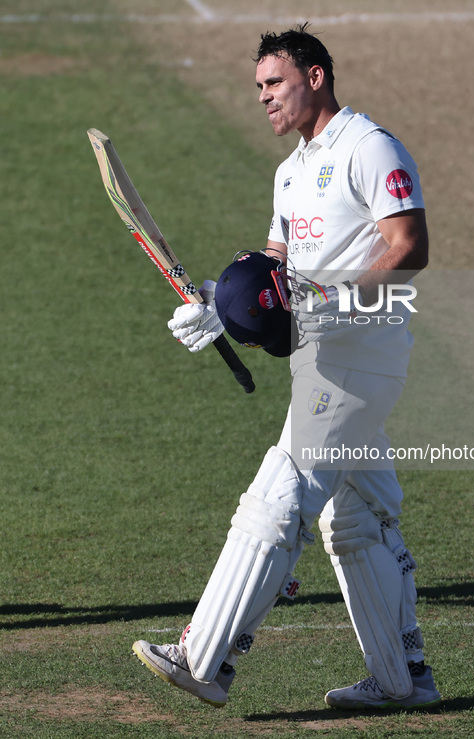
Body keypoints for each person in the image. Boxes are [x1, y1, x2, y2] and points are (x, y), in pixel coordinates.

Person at [132, 24, 441, 711]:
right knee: (353, 517)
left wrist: (325, 301)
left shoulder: (369, 146)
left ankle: (202, 655)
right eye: (257, 89)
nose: (263, 98)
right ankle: (401, 678)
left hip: (361, 356)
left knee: (280, 489)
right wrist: (219, 305)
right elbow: (272, 276)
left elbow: (408, 246)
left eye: (273, 84)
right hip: (319, 362)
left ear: (314, 77)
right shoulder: (290, 171)